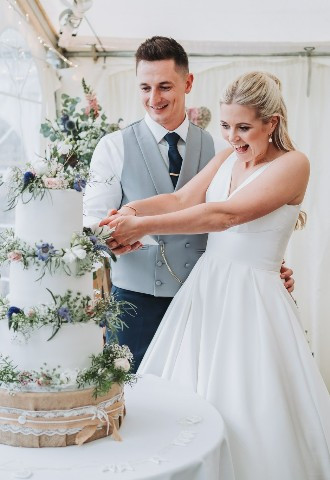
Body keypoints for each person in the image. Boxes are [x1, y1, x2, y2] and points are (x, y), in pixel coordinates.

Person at [102, 71, 330, 479]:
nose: (233, 137)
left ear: (272, 122)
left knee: (248, 404)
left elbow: (224, 216)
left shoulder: (295, 164)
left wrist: (143, 229)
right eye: (225, 126)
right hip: (205, 292)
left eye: (244, 127)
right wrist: (133, 211)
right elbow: (182, 198)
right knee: (185, 398)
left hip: (253, 301)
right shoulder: (227, 156)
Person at [84, 36, 294, 372]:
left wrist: (266, 265)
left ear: (188, 83)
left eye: (165, 86)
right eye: (145, 87)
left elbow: (234, 212)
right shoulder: (112, 147)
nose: (154, 98)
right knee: (132, 396)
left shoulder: (217, 145)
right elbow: (94, 225)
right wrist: (116, 234)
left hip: (204, 298)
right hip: (136, 300)